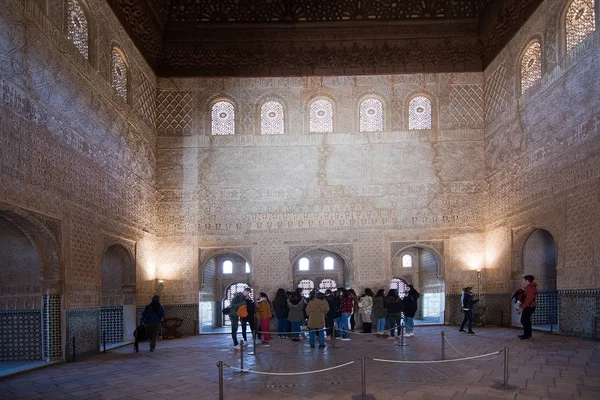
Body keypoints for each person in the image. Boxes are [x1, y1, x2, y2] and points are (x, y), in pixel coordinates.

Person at [518, 275, 538, 340]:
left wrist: (522, 307)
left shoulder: (530, 288)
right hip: (530, 305)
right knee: (526, 320)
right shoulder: (530, 287)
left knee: (524, 320)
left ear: (527, 280)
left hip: (529, 306)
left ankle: (526, 335)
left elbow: (528, 299)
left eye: (524, 280)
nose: (523, 281)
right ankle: (528, 334)